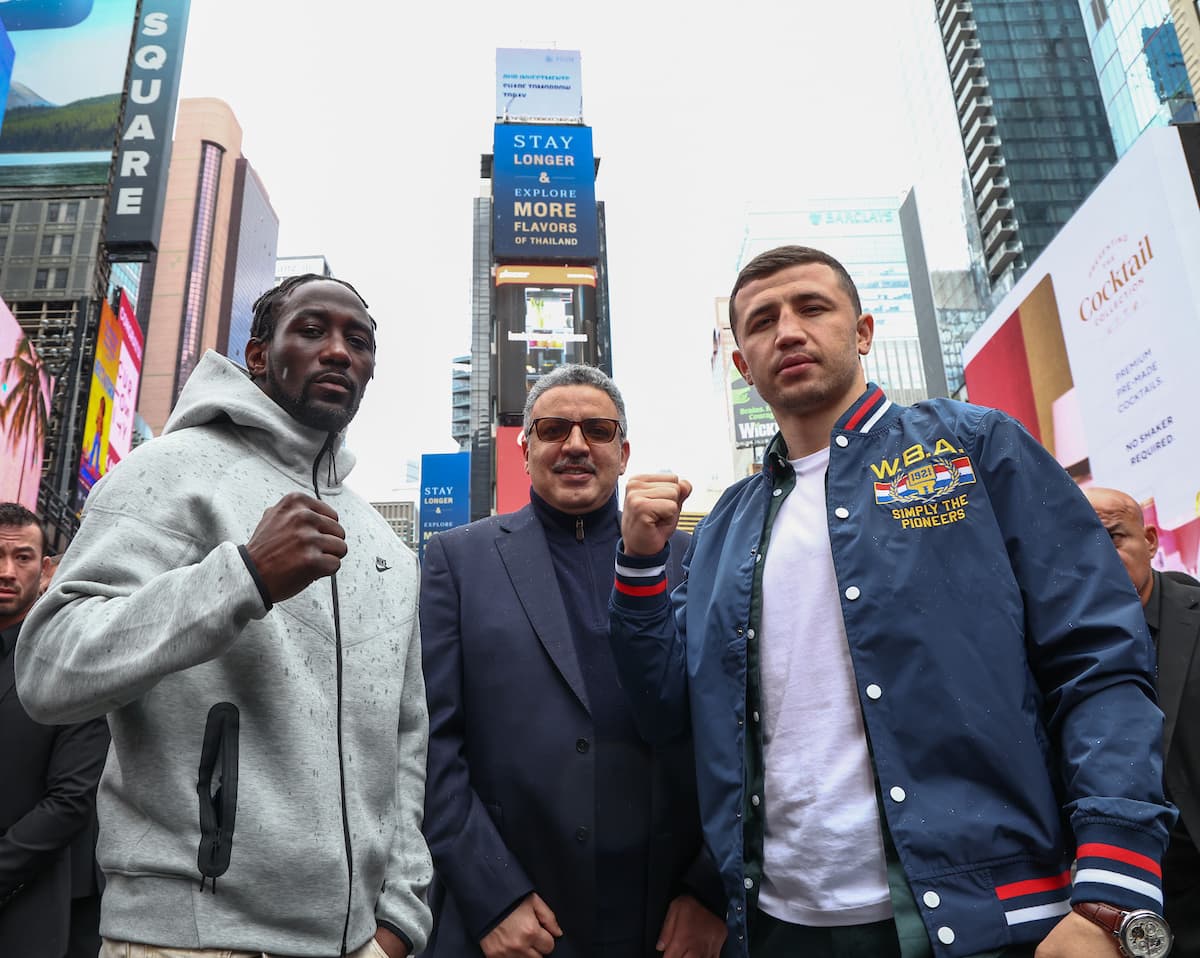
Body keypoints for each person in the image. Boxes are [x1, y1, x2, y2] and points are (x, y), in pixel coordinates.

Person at [609, 246, 1175, 958]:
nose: (788, 331)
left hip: (991, 918)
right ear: (742, 367)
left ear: (865, 332)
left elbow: (1098, 660)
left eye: (812, 308)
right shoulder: (725, 523)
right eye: (761, 322)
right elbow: (666, 706)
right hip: (780, 926)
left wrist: (1114, 888)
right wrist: (638, 565)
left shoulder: (973, 448)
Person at [16, 275, 432, 957]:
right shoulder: (171, 472)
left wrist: (399, 920)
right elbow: (48, 667)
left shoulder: (388, 548)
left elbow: (405, 743)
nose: (337, 351)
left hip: (355, 943)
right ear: (259, 355)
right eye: (312, 330)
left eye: (357, 341)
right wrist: (242, 577)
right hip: (185, 937)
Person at [420, 364, 727, 958]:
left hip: (670, 915)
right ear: (526, 446)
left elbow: (742, 732)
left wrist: (710, 890)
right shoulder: (457, 561)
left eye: (599, 430)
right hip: (521, 917)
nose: (577, 445)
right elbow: (432, 743)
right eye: (555, 429)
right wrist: (492, 894)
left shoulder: (695, 559)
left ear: (624, 448)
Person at [1085, 486, 1199, 955]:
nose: (1096, 557)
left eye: (1112, 538)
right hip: (1140, 896)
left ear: (1150, 540)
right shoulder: (1053, 644)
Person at [0, 502, 109, 958]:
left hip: (32, 909)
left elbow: (71, 800)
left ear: (45, 570)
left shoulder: (70, 664)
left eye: (22, 558)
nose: (6, 571)